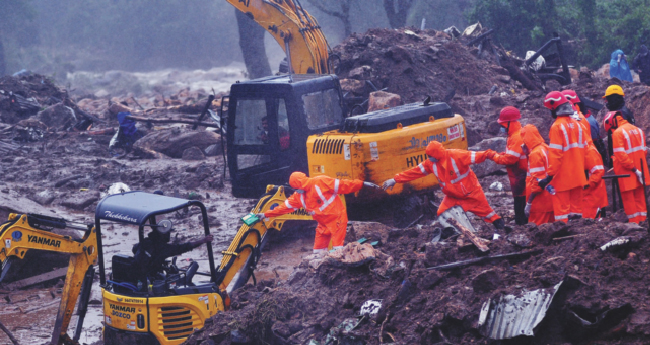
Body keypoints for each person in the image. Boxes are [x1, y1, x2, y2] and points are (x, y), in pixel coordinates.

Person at [381, 141, 505, 239]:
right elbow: (415, 172)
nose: (429, 158)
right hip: (452, 196)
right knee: (442, 213)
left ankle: (501, 229)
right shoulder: (431, 163)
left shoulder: (456, 155)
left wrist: (493, 155)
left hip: (470, 193)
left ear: (437, 154)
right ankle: (457, 235)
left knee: (488, 213)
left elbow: (479, 155)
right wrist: (396, 179)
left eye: (430, 156)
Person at [257, 172, 380, 253]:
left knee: (338, 250)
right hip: (323, 224)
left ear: (300, 184)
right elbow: (283, 208)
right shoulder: (298, 196)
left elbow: (344, 185)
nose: (295, 190)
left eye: (296, 187)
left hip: (337, 219)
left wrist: (362, 184)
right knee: (317, 252)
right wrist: (266, 214)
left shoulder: (320, 181)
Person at [540, 91, 588, 223]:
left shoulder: (556, 127)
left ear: (554, 107)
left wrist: (549, 176)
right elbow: (585, 150)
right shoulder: (578, 125)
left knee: (562, 217)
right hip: (578, 177)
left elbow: (556, 155)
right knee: (577, 215)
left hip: (562, 179)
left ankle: (564, 239)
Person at [562, 90, 608, 219]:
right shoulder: (581, 121)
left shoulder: (588, 148)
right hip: (587, 197)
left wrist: (586, 184)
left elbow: (598, 171)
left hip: (592, 198)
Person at [603, 110, 650, 223]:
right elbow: (643, 151)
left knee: (629, 201)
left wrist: (631, 167)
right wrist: (637, 169)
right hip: (640, 171)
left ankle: (633, 224)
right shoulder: (638, 130)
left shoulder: (618, 133)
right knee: (640, 199)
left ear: (611, 123)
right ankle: (643, 223)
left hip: (627, 173)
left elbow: (621, 154)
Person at [488, 106, 528, 225]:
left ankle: (522, 223)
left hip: (520, 175)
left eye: (503, 125)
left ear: (510, 123)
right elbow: (513, 154)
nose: (502, 128)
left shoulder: (516, 137)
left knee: (520, 200)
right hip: (519, 174)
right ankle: (521, 221)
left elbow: (511, 159)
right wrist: (503, 154)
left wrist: (495, 157)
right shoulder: (514, 135)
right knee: (519, 199)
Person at [133, 225, 213, 280]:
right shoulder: (163, 249)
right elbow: (183, 248)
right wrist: (203, 240)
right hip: (149, 277)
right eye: (168, 233)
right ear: (163, 235)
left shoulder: (146, 241)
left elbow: (134, 249)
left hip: (136, 273)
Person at [520, 125, 554, 225]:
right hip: (550, 199)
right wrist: (527, 154)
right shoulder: (545, 147)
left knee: (538, 233)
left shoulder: (535, 154)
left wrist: (529, 203)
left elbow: (537, 181)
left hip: (540, 204)